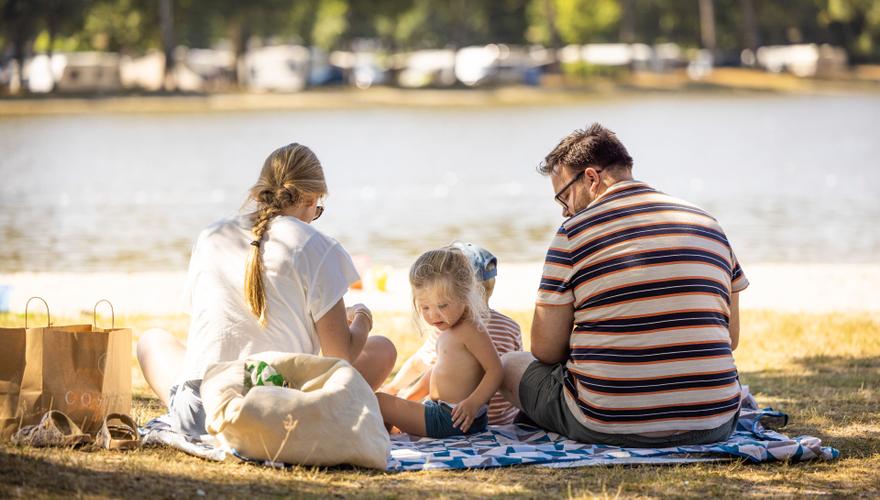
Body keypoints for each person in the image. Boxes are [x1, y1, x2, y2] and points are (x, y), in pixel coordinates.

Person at [500, 123, 748, 447]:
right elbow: (729, 338)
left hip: (607, 422)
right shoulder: (707, 223)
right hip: (715, 419)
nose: (564, 211)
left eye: (564, 197)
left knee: (508, 364)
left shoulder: (573, 233)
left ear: (591, 178)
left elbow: (546, 350)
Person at [137, 143, 397, 437]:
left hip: (199, 413)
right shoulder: (317, 245)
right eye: (318, 209)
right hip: (279, 412)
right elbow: (341, 358)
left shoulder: (212, 235)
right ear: (311, 199)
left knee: (152, 341)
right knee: (382, 348)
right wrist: (362, 317)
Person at [380, 241, 523, 425]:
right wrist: (409, 396)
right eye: (425, 307)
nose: (433, 315)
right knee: (386, 403)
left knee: (379, 403)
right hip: (457, 412)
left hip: (455, 417)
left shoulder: (470, 329)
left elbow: (495, 370)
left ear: (465, 294)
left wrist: (473, 404)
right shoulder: (453, 327)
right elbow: (437, 371)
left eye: (442, 305)